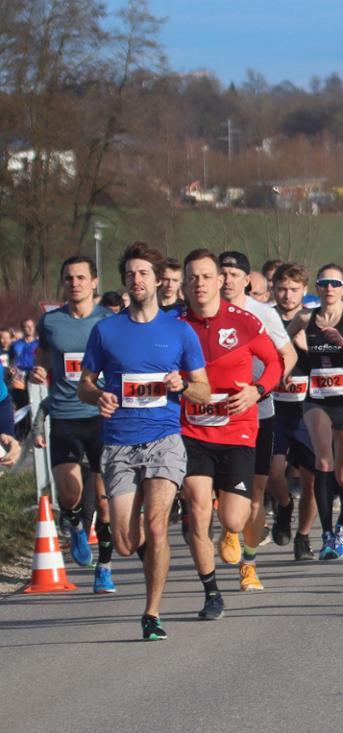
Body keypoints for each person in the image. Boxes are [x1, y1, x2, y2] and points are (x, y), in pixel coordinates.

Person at [78, 241, 210, 641]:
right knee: (124, 541)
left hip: (164, 439)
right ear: (125, 282)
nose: (137, 280)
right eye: (131, 274)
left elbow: (204, 388)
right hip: (119, 441)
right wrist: (97, 394)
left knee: (156, 527)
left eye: (143, 273)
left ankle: (152, 612)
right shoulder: (106, 330)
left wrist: (183, 384)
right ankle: (143, 550)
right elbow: (85, 383)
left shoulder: (180, 331)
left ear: (157, 281)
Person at [179, 248, 282, 618]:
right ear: (183, 284)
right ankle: (211, 593)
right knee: (196, 504)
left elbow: (275, 363)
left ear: (221, 281)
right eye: (192, 277)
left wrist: (257, 390)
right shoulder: (177, 326)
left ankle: (231, 530)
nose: (200, 283)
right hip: (191, 431)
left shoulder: (244, 321)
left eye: (207, 276)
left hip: (237, 429)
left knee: (235, 519)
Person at [30, 255, 115, 591]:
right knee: (69, 493)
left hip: (102, 416)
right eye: (69, 278)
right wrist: (39, 371)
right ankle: (77, 525)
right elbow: (43, 354)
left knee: (106, 501)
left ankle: (104, 569)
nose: (75, 283)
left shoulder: (108, 321)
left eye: (81, 277)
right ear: (63, 283)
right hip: (65, 415)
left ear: (94, 282)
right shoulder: (51, 322)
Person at [218, 251, 297, 587]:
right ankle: (228, 527)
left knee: (256, 491)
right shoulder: (201, 313)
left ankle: (248, 563)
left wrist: (263, 388)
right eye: (221, 273)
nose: (227, 280)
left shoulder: (262, 313)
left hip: (259, 412)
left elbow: (287, 355)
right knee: (215, 489)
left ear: (247, 280)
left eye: (234, 274)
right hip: (212, 415)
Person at [287, 263, 343, 559]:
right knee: (323, 464)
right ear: (317, 286)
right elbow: (285, 343)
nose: (329, 289)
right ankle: (326, 534)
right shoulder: (305, 317)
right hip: (318, 399)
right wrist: (299, 357)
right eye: (323, 283)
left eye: (335, 284)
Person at [270, 263, 319, 559]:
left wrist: (307, 346)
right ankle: (285, 506)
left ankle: (303, 537)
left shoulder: (314, 320)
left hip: (307, 408)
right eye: (282, 289)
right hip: (275, 408)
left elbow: (330, 362)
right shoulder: (266, 318)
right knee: (275, 472)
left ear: (303, 291)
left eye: (293, 289)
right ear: (274, 289)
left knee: (312, 481)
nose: (287, 295)